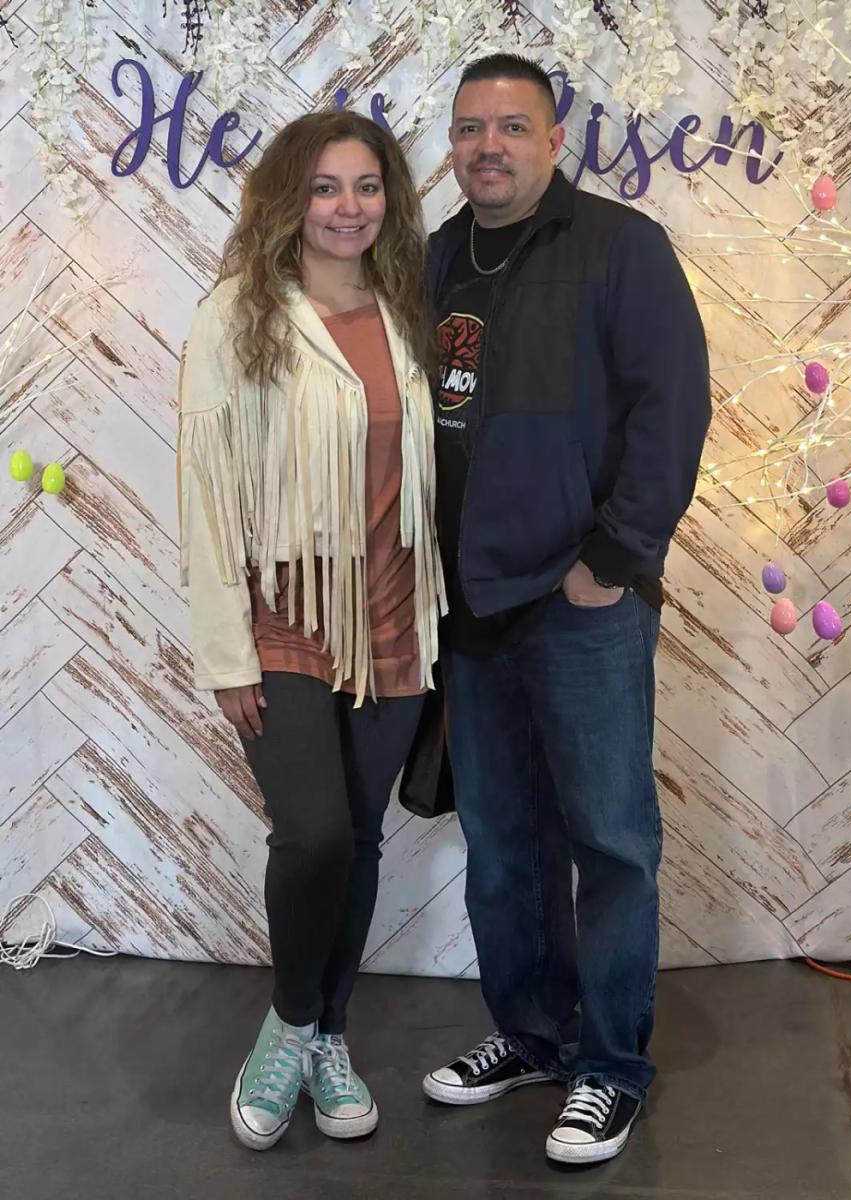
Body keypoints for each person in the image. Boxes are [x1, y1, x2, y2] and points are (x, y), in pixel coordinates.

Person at [421, 55, 711, 1165]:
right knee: (503, 845)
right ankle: (534, 1037)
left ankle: (611, 1067)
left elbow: (671, 405)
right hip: (471, 606)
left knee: (609, 842)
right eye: (468, 128)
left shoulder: (619, 247)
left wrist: (614, 558)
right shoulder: (435, 259)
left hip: (579, 602)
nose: (486, 145)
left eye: (510, 126)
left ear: (552, 139)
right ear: (452, 144)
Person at [178, 110, 446, 1151]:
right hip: (286, 613)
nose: (347, 207)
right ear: (290, 199)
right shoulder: (237, 315)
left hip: (394, 609)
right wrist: (225, 653)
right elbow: (206, 495)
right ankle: (289, 1027)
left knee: (360, 837)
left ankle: (328, 1034)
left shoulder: (410, 306)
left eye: (366, 186)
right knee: (315, 833)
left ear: (390, 200)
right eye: (326, 187)